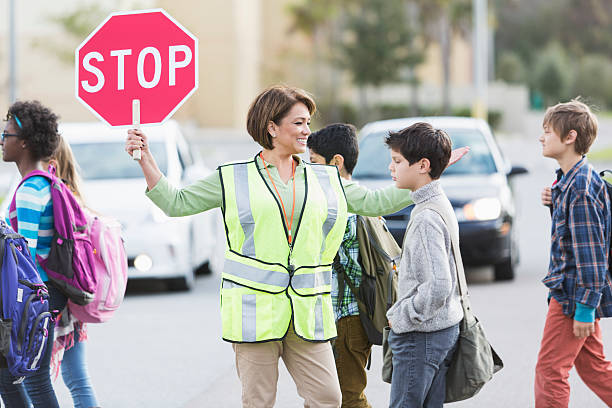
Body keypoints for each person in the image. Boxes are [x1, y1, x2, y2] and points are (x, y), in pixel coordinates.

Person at [126, 85, 467, 408]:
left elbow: (376, 202)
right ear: (271, 127)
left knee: (328, 398)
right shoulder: (232, 177)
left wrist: (431, 172)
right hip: (254, 315)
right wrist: (146, 159)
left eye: (308, 123)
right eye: (298, 123)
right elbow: (177, 203)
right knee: (259, 402)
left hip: (308, 315)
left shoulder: (325, 178)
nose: (307, 130)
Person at [534, 100, 612, 407]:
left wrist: (584, 309)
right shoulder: (571, 180)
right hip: (573, 294)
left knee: (550, 371)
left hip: (571, 296)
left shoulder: (578, 187)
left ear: (570, 137)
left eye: (547, 131)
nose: (542, 137)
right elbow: (573, 236)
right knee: (594, 369)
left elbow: (591, 255)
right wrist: (554, 203)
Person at [384, 122, 464, 408]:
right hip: (442, 330)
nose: (391, 168)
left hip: (423, 335)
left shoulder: (426, 217)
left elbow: (439, 285)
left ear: (423, 165)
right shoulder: (438, 202)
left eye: (397, 161)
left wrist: (401, 317)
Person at [0, 100, 66, 407]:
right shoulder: (49, 181)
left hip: (27, 300)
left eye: (7, 134)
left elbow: (20, 258)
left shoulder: (29, 191)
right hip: (46, 294)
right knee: (25, 380)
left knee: (22, 382)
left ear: (24, 142)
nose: (2, 140)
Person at [307, 123, 372, 408]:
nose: (308, 170)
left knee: (349, 398)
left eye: (313, 163)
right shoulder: (359, 195)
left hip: (346, 317)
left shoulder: (342, 205)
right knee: (328, 397)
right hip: (342, 315)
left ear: (336, 162)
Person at [45, 136, 100, 408]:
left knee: (42, 379)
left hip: (58, 298)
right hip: (73, 297)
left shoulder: (55, 195)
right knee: (76, 377)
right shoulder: (73, 194)